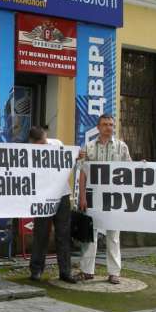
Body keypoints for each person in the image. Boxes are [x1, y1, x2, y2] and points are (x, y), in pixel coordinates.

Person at [78, 114, 132, 285]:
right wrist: (82, 196)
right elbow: (82, 173)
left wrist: (142, 166)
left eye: (111, 124)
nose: (109, 127)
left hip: (114, 198)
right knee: (90, 235)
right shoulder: (89, 147)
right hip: (93, 197)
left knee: (113, 235)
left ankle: (114, 272)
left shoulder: (121, 147)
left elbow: (130, 170)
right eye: (105, 124)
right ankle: (87, 271)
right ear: (98, 127)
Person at [27, 127, 77, 284]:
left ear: (46, 138)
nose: (41, 147)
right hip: (42, 196)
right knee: (40, 234)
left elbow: (67, 162)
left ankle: (65, 272)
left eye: (43, 143)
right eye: (38, 145)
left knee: (63, 234)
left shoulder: (57, 144)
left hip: (61, 195)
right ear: (32, 142)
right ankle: (36, 270)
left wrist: (75, 157)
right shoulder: (27, 152)